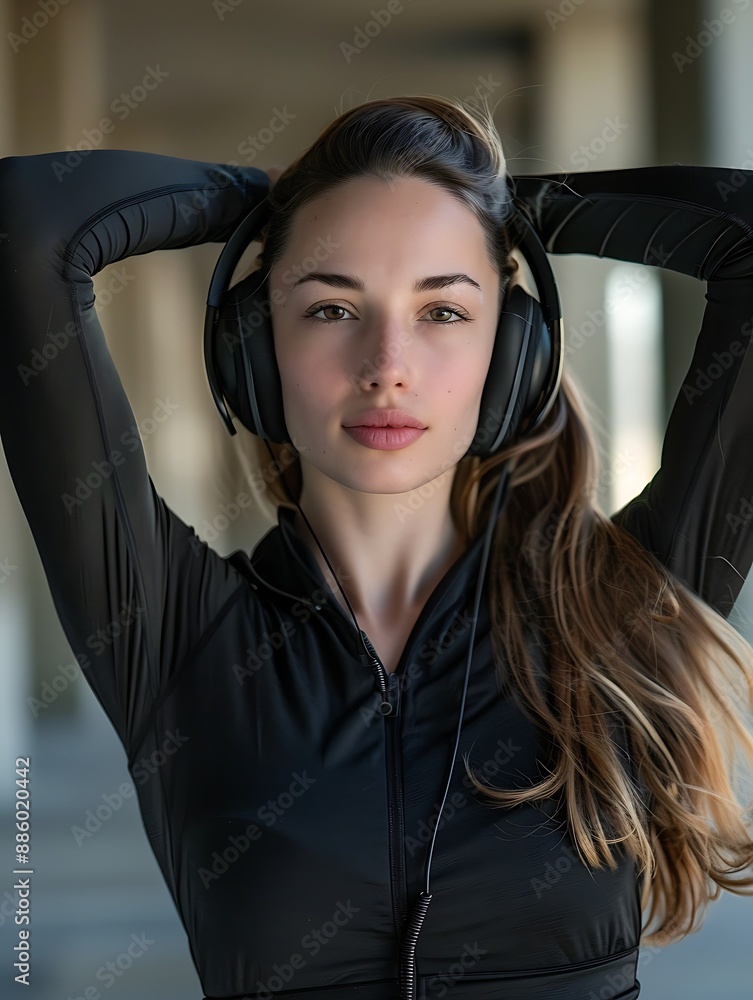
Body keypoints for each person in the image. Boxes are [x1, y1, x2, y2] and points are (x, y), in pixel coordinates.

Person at [2, 95, 753, 1000]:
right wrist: (259, 201)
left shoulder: (619, 606)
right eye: (329, 308)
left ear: (509, 353)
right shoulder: (173, 633)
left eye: (443, 311)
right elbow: (27, 221)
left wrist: (506, 210)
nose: (386, 362)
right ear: (252, 349)